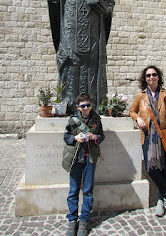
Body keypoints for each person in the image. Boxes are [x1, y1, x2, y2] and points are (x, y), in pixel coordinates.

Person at [42, 0, 115, 113]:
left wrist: (103, 5)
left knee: (91, 74)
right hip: (70, 35)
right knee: (70, 72)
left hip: (92, 36)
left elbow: (109, 3)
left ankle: (95, 110)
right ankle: (67, 109)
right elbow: (57, 2)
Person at [129, 65, 166, 217]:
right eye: (148, 75)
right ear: (144, 78)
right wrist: (138, 118)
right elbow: (131, 111)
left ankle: (161, 200)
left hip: (163, 136)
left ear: (158, 77)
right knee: (151, 168)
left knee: (163, 168)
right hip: (147, 136)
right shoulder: (141, 96)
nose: (151, 77)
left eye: (154, 74)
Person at [62, 93, 105, 236]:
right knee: (73, 190)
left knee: (87, 190)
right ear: (78, 107)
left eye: (88, 105)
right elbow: (66, 136)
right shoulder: (73, 120)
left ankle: (84, 219)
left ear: (91, 105)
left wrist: (95, 137)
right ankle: (72, 220)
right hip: (76, 159)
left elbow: (101, 136)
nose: (86, 108)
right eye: (83, 106)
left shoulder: (96, 119)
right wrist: (75, 138)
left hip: (89, 158)